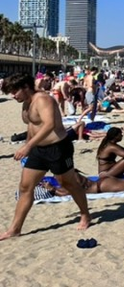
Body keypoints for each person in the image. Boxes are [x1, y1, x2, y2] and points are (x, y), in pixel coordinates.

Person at [0, 73, 91, 240]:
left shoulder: (42, 100)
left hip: (58, 148)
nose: (12, 96)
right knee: (25, 187)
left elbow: (49, 125)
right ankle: (15, 229)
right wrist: (27, 146)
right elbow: (32, 126)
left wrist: (28, 146)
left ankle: (85, 214)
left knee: (68, 184)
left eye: (14, 91)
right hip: (38, 150)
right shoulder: (26, 102)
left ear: (25, 87)